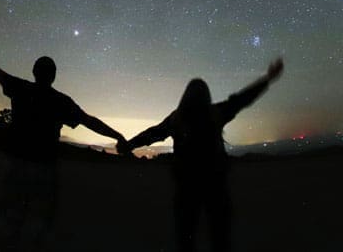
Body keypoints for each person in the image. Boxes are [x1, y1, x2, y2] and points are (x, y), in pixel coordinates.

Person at [0, 30, 125, 250]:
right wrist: (117, 135)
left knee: (14, 216)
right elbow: (89, 121)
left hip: (18, 161)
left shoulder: (21, 88)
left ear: (34, 72)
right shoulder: (61, 101)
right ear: (54, 76)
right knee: (40, 218)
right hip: (45, 166)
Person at [120, 58, 284, 252]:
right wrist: (267, 79)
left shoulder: (177, 119)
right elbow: (242, 99)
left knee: (188, 236)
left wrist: (129, 145)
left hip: (187, 186)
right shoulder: (215, 113)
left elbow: (151, 134)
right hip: (214, 184)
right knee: (218, 236)